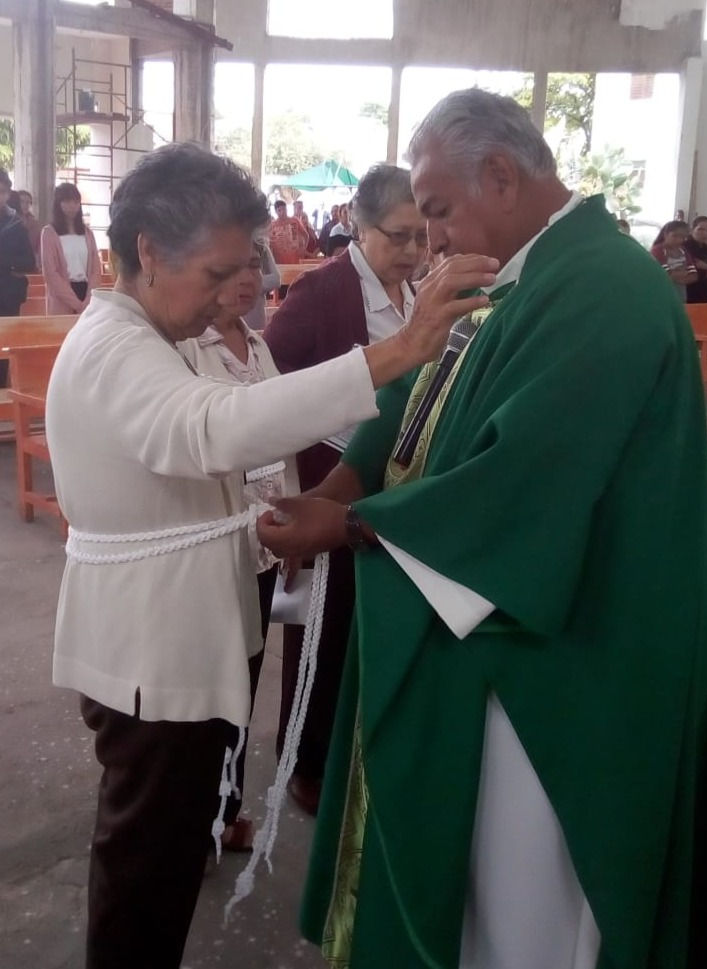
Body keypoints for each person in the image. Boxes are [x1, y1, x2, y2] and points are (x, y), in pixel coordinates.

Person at [257, 89, 707, 969]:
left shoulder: (605, 288)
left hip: (574, 649)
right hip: (504, 617)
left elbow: (525, 483)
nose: (431, 237)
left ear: (501, 175)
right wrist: (340, 482)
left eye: (438, 212)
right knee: (484, 887)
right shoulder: (511, 270)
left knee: (532, 904)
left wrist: (354, 524)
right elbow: (418, 398)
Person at [44, 141, 496, 969]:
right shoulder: (115, 344)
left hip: (181, 632)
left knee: (173, 850)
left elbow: (226, 424)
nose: (230, 295)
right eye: (216, 273)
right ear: (148, 251)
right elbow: (210, 429)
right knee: (145, 865)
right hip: (152, 651)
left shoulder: (164, 331)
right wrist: (394, 354)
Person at [263, 163, 428, 816]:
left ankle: (345, 747)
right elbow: (266, 383)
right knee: (321, 632)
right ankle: (303, 761)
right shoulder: (325, 293)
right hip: (329, 479)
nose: (414, 251)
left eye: (422, 236)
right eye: (399, 237)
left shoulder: (415, 293)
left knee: (362, 625)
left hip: (387, 485)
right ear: (359, 227)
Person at [180, 258, 299, 853]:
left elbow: (280, 437)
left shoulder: (258, 345)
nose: (251, 278)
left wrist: (293, 516)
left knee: (243, 682)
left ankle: (225, 810)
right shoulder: (185, 349)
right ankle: (192, 820)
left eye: (257, 263)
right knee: (204, 684)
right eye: (231, 266)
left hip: (262, 542)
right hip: (211, 544)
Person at [41, 183, 101, 314]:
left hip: (86, 292)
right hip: (62, 297)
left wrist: (88, 299)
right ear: (58, 203)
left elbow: (96, 270)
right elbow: (51, 273)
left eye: (76, 201)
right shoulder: (49, 233)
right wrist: (77, 304)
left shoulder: (87, 233)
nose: (72, 206)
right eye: (67, 201)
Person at [0, 168, 35, 319]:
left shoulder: (15, 224)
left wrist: (6, 263)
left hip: (8, 297)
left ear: (7, 194)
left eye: (1, 191)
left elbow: (29, 262)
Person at [650, 220, 697, 301]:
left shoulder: (683, 251)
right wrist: (684, 273)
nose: (679, 240)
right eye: (674, 236)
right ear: (665, 234)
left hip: (680, 296)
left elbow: (694, 275)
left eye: (682, 237)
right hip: (661, 294)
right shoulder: (657, 250)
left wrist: (676, 275)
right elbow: (664, 275)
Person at [243, 240, 280, 330]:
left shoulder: (260, 244)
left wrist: (251, 283)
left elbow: (276, 279)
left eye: (255, 265)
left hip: (255, 318)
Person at [268, 198, 308, 265]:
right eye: (279, 210)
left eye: (284, 209)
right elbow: (269, 242)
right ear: (276, 211)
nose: (282, 212)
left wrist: (303, 248)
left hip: (295, 259)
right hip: (279, 260)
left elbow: (306, 235)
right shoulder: (272, 225)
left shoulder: (295, 221)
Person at [17, 190, 42, 269]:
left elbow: (38, 244)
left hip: (30, 261)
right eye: (22, 201)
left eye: (28, 202)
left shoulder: (35, 223)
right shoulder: (8, 221)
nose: (25, 205)